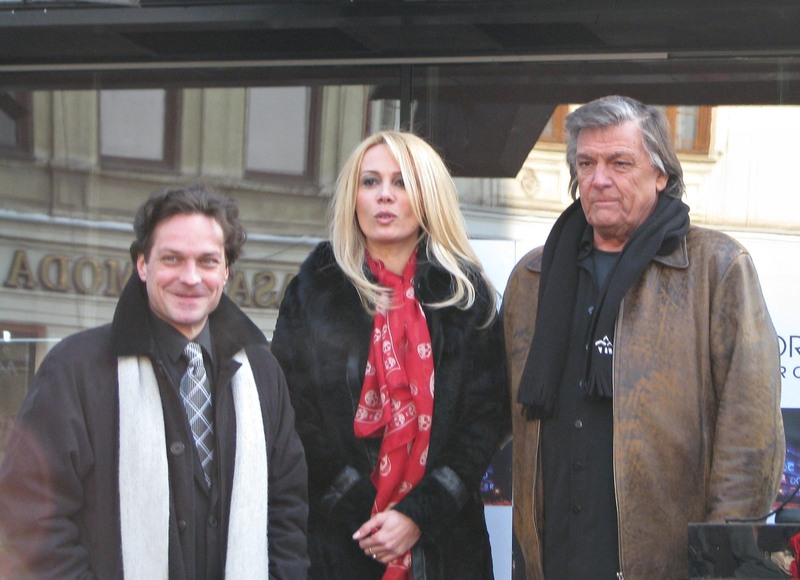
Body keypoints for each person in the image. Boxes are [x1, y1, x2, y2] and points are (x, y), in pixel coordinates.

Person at [502, 95, 784, 579]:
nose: (599, 179)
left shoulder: (716, 268)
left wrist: (718, 560)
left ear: (660, 174)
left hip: (668, 563)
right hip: (556, 557)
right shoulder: (534, 277)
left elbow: (750, 438)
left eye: (619, 163)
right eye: (586, 163)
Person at [0, 185, 309, 579]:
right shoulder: (75, 369)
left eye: (208, 261)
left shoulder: (262, 374)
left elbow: (287, 511)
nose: (191, 277)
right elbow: (29, 515)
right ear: (142, 265)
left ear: (226, 271)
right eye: (172, 259)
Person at [271, 130, 509, 579]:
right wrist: (366, 511)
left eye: (402, 182)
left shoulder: (464, 295)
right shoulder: (316, 289)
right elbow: (290, 414)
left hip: (445, 548)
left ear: (427, 196)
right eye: (370, 182)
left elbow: (487, 418)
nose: (384, 195)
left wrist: (418, 515)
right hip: (337, 543)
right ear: (353, 197)